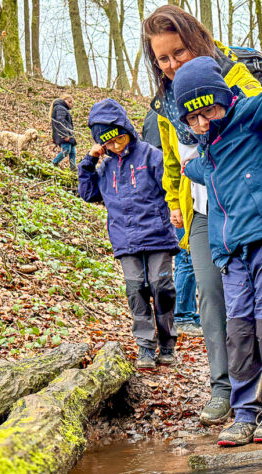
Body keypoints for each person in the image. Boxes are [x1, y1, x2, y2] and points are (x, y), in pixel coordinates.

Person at [141, 4, 262, 426]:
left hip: (253, 207)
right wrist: (174, 202)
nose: (173, 63)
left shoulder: (233, 73)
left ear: (196, 41)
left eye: (179, 51)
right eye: (163, 58)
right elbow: (173, 159)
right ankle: (225, 389)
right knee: (214, 300)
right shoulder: (164, 103)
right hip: (202, 210)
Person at [78, 99, 180, 369]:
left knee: (162, 288)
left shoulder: (150, 155)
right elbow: (88, 193)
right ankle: (145, 346)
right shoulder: (106, 167)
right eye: (108, 143)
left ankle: (167, 344)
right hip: (126, 239)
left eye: (119, 138)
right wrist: (90, 161)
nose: (116, 146)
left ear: (127, 130)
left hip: (158, 234)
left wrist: (175, 210)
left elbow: (171, 186)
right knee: (136, 290)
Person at [143, 109, 203, 338]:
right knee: (186, 255)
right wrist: (173, 201)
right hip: (175, 194)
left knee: (186, 256)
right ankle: (183, 315)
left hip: (173, 194)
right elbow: (168, 160)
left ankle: (187, 313)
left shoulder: (158, 113)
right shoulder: (164, 114)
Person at [50, 94, 77, 171]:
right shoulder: (60, 108)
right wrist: (65, 135)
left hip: (67, 133)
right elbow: (59, 122)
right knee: (66, 150)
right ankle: (53, 163)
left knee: (73, 152)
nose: (70, 104)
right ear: (64, 100)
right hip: (64, 134)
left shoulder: (61, 108)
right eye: (69, 102)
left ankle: (73, 168)